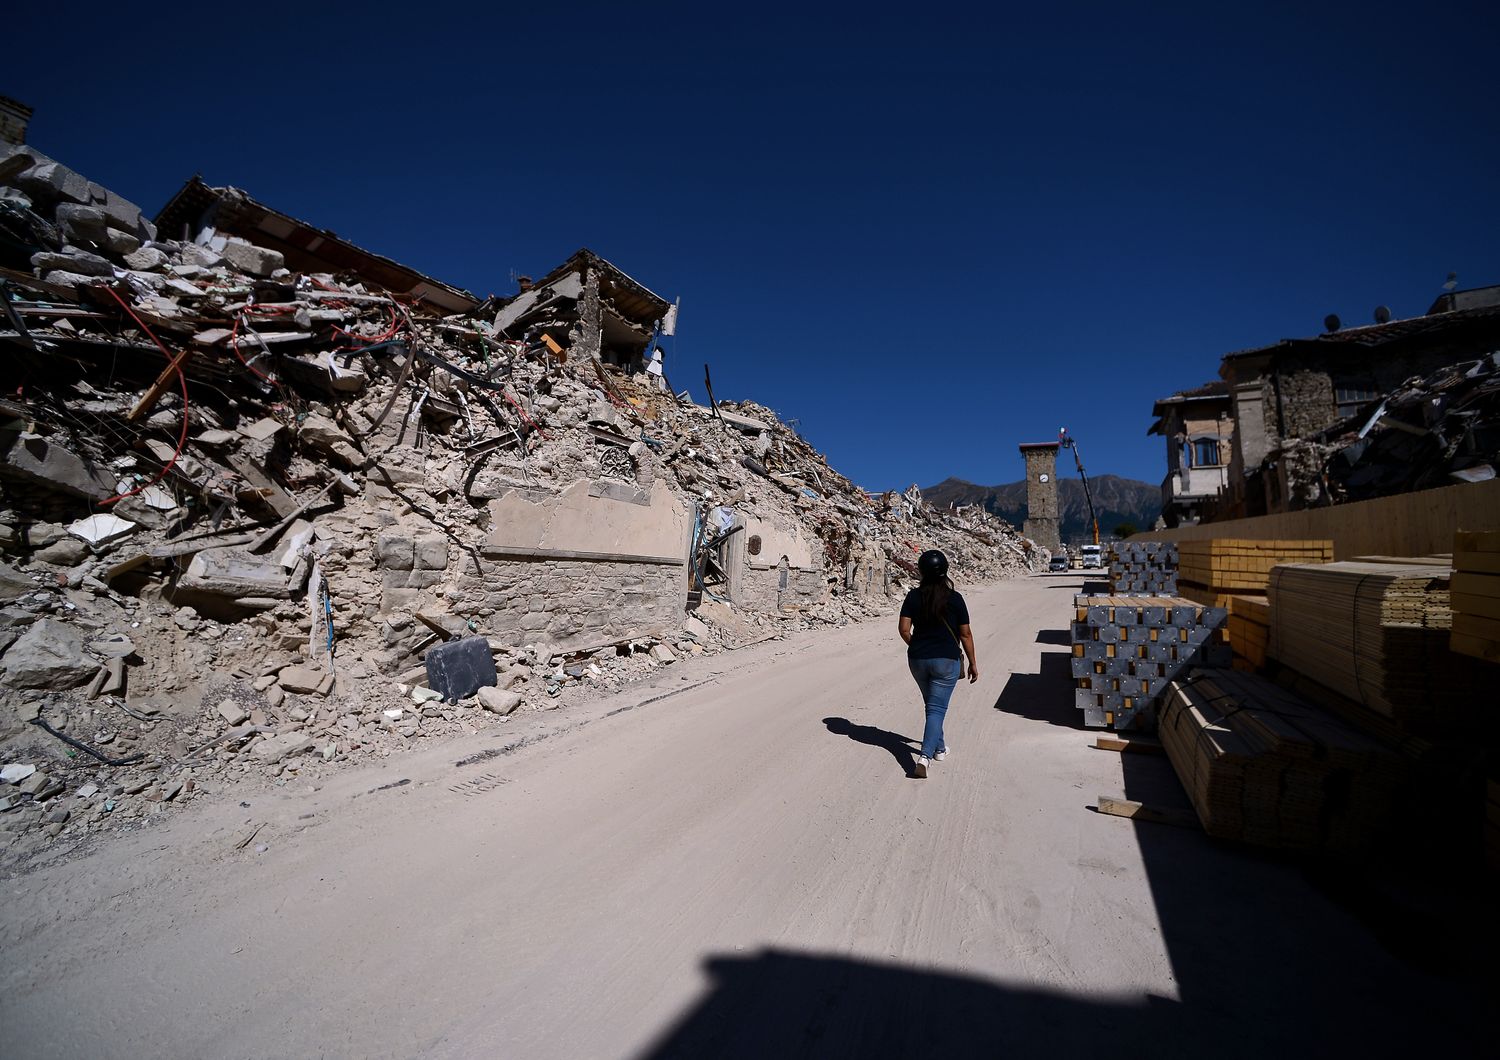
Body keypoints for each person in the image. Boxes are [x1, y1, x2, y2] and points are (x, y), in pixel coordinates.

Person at [898, 549, 978, 778]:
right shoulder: (955, 599)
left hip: (917, 660)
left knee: (932, 707)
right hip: (946, 661)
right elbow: (966, 635)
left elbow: (904, 630)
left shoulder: (913, 596)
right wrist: (973, 662)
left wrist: (917, 645)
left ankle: (940, 749)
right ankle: (924, 756)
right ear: (945, 571)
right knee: (936, 708)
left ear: (921, 571)